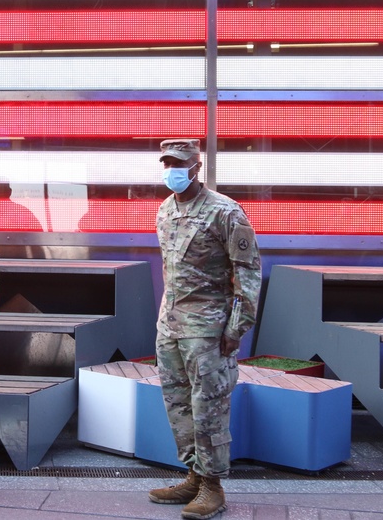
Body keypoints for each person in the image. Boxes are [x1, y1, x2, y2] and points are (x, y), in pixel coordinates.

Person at [148, 139, 261, 520]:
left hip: (209, 329)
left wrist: (237, 327)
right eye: (166, 163)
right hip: (171, 326)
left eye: (179, 163)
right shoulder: (165, 209)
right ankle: (194, 475)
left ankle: (213, 486)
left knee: (209, 406)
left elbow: (247, 272)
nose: (172, 170)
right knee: (178, 403)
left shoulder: (225, 211)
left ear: (196, 167)